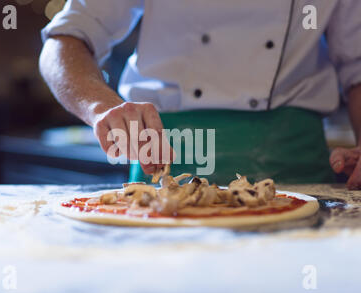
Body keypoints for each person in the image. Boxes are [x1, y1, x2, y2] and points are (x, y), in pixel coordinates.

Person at [39, 0, 361, 189]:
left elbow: (357, 66)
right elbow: (64, 40)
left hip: (294, 167)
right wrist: (101, 106)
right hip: (165, 162)